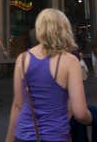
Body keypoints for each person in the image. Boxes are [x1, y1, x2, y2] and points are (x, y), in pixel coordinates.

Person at [6, 9, 92, 142]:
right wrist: (93, 119)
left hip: (23, 135)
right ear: (65, 29)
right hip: (56, 135)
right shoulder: (70, 62)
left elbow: (18, 105)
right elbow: (80, 113)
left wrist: (9, 139)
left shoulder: (22, 59)